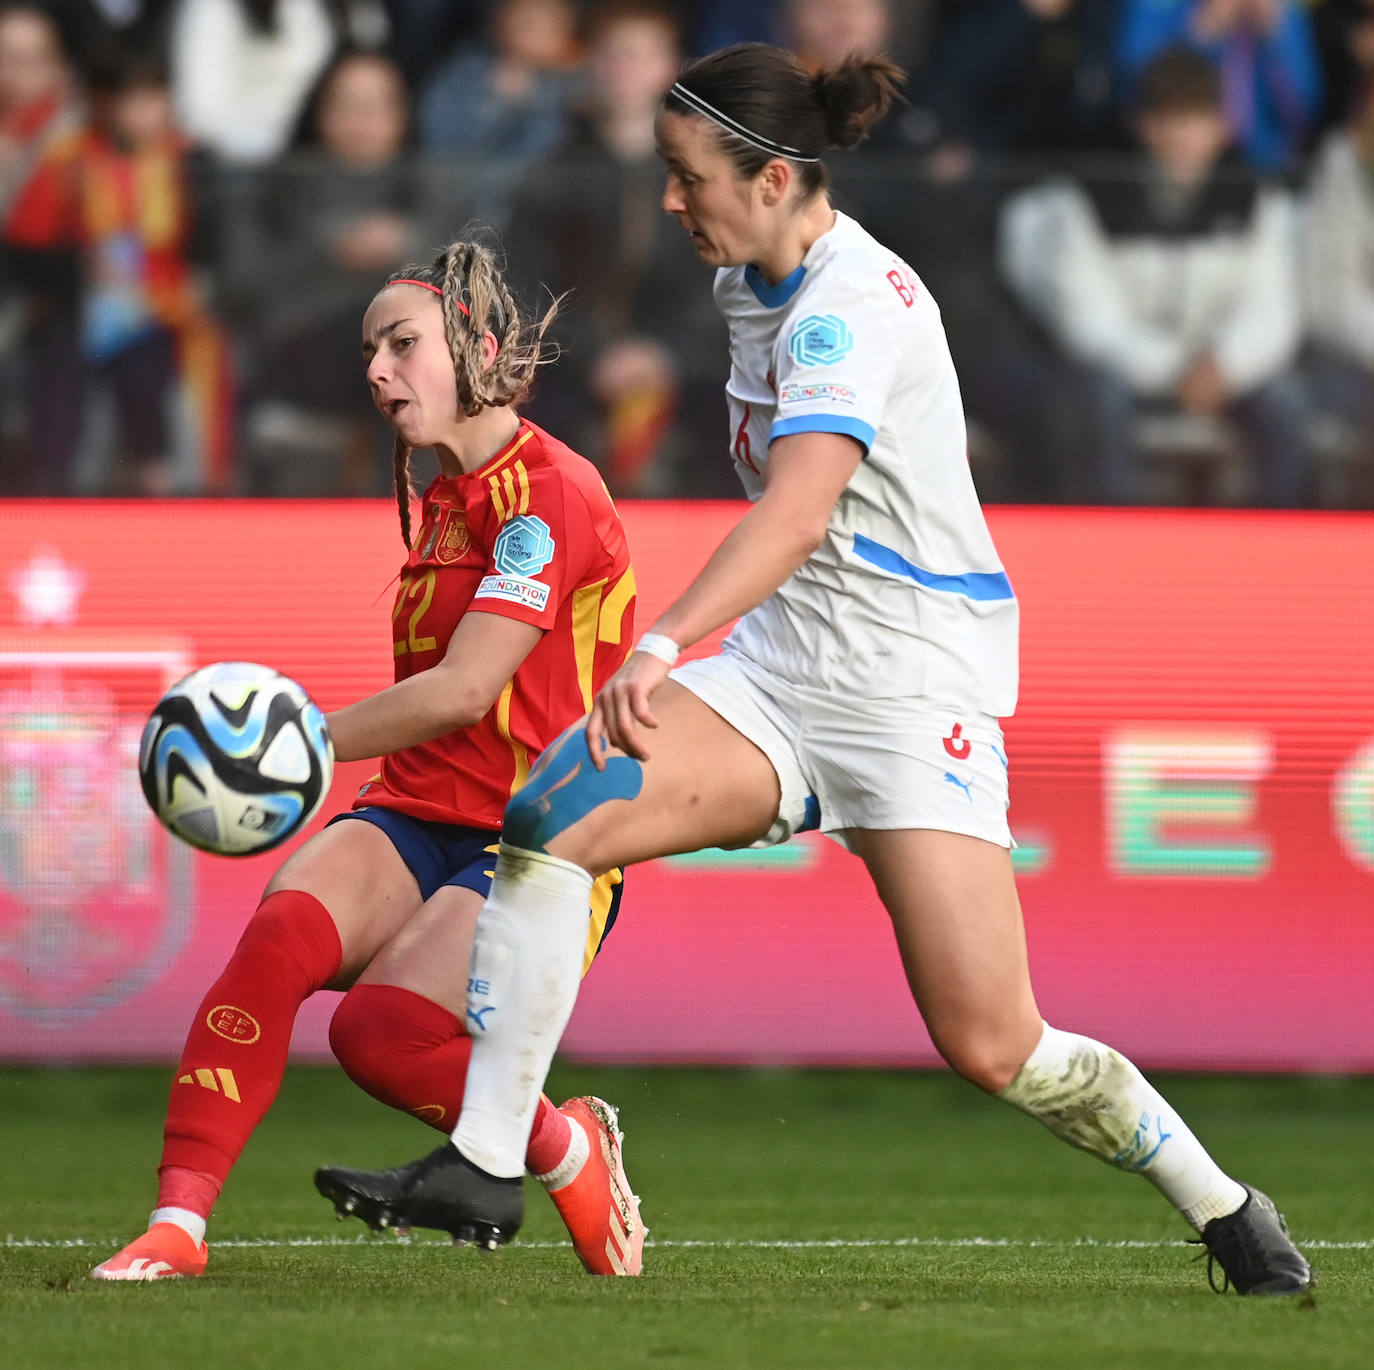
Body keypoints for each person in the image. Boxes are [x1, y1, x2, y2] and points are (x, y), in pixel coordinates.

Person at [314, 43, 1314, 1298]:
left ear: (776, 176)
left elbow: (794, 514)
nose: (673, 202)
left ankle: (1222, 1202)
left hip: (908, 693)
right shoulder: (752, 277)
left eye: (689, 179)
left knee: (997, 1041)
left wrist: (664, 640)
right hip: (786, 673)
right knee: (553, 811)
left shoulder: (851, 304)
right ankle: (488, 1157)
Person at [91, 237, 645, 1280]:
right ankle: (178, 1226)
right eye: (369, 354)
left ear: (475, 345)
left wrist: (291, 736)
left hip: (538, 840)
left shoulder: (550, 495)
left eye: (402, 344)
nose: (380, 371)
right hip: (415, 808)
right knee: (276, 941)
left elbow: (466, 689)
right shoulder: (444, 498)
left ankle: (566, 1146)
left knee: (380, 1034)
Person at [998, 46, 1308, 505]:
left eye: (1196, 118)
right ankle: (1112, 546)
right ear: (1142, 123)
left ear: (1224, 125)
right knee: (1094, 403)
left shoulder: (1259, 201)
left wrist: (1224, 367)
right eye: (1169, 118)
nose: (1182, 135)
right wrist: (1173, 370)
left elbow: (1273, 312)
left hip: (1225, 376)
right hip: (1126, 375)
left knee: (1287, 404)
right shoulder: (1088, 200)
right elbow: (1088, 320)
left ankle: (1286, 552)